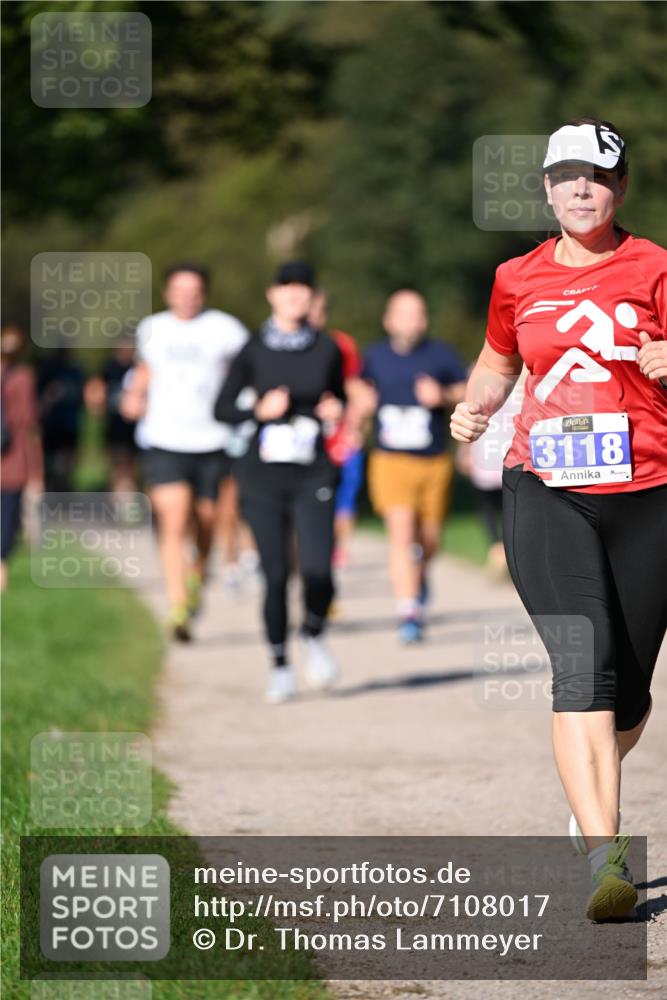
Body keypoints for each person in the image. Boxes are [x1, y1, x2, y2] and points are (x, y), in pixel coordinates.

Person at [450, 118, 667, 922]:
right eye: (566, 174)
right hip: (544, 487)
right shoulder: (515, 276)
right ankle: (606, 860)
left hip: (649, 490)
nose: (581, 188)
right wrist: (475, 408)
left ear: (620, 188)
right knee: (583, 666)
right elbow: (497, 361)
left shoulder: (657, 268)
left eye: (597, 175)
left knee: (631, 698)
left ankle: (588, 800)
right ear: (545, 187)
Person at [214, 261, 344, 703]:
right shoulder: (252, 350)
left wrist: (335, 410)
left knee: (320, 570)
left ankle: (312, 633)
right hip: (262, 476)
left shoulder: (328, 348)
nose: (294, 297)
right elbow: (222, 408)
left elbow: (337, 396)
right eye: (286, 289)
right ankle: (280, 665)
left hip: (313, 471)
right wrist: (259, 412)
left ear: (312, 298)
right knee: (274, 575)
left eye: (303, 290)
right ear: (272, 295)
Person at [121, 263, 249, 640]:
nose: (187, 297)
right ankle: (178, 606)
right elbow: (143, 371)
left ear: (205, 293)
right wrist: (133, 395)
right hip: (164, 438)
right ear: (167, 293)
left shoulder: (226, 329)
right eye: (179, 289)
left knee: (208, 519)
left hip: (212, 439)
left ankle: (199, 574)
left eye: (194, 290)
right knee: (173, 519)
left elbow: (248, 372)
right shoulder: (152, 329)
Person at [352, 289, 467, 643]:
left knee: (429, 540)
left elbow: (468, 389)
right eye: (402, 313)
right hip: (390, 459)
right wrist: (360, 411)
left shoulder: (441, 355)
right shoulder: (373, 356)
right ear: (388, 319)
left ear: (425, 320)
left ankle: (420, 574)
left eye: (417, 313)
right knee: (401, 534)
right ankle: (409, 611)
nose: (410, 320)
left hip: (433, 461)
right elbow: (357, 391)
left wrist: (444, 396)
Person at [308, 288, 365, 569]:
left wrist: (355, 426)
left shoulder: (341, 344)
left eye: (319, 311)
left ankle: (337, 551)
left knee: (343, 500)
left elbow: (355, 389)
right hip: (303, 440)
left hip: (338, 435)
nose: (314, 317)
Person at [1, 323, 43, 589]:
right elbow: (29, 425)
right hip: (12, 463)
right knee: (6, 520)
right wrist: (36, 472)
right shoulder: (24, 378)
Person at [84, 337, 139, 493]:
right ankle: (120, 497)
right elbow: (94, 391)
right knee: (118, 464)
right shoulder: (108, 368)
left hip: (134, 427)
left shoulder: (136, 368)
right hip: (115, 425)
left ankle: (128, 496)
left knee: (130, 465)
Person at [37, 346, 84, 492]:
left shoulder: (75, 372)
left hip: (69, 424)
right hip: (51, 425)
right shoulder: (48, 371)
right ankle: (51, 489)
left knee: (66, 462)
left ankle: (64, 488)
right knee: (49, 461)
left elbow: (83, 396)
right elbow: (39, 398)